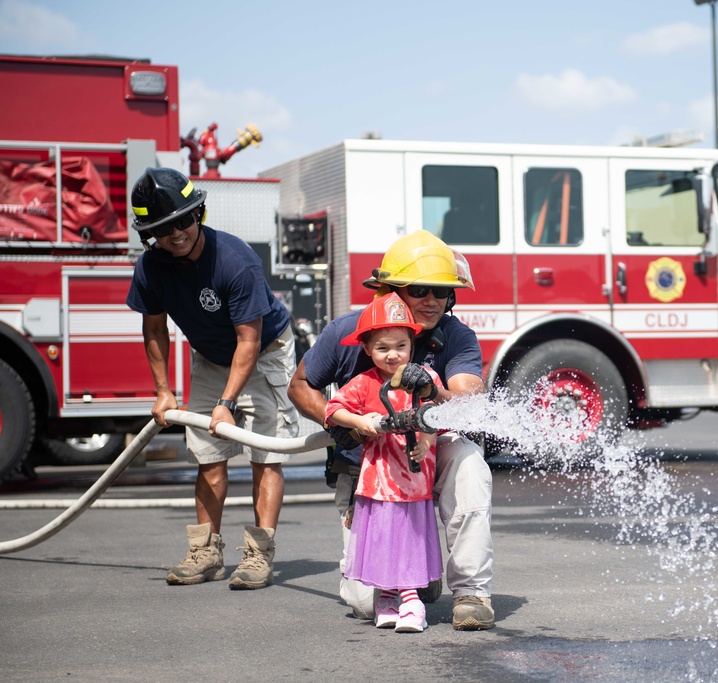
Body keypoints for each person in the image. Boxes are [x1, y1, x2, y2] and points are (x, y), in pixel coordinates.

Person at [288, 230, 495, 630]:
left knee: (469, 461)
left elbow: (470, 402)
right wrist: (337, 425)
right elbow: (300, 386)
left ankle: (471, 592)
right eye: (420, 289)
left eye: (442, 291)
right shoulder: (351, 332)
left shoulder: (456, 336)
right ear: (389, 290)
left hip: (427, 455)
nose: (433, 300)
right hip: (370, 468)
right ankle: (415, 576)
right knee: (366, 603)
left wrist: (432, 390)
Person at [125, 167, 298, 590]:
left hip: (264, 354)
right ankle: (206, 552)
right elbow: (154, 330)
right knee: (208, 456)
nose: (177, 233)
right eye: (163, 229)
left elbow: (249, 340)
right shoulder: (151, 268)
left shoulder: (235, 261)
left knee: (265, 455)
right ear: (150, 235)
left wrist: (228, 402)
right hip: (211, 358)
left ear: (198, 213)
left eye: (183, 220)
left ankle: (259, 555)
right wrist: (164, 391)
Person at [324, 292, 444, 633]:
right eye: (382, 348)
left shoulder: (425, 380)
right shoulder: (364, 384)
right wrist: (361, 423)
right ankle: (389, 599)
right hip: (377, 482)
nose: (392, 355)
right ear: (366, 349)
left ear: (412, 345)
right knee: (382, 539)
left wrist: (425, 441)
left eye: (400, 346)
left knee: (407, 539)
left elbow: (436, 415)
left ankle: (411, 600)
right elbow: (332, 409)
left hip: (413, 481)